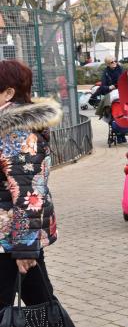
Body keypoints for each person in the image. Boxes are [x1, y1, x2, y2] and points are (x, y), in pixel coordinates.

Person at [0, 60, 62, 306]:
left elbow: (29, 190)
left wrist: (25, 248)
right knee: (42, 304)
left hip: (10, 240)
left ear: (8, 92)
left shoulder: (16, 133)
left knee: (40, 305)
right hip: (12, 239)